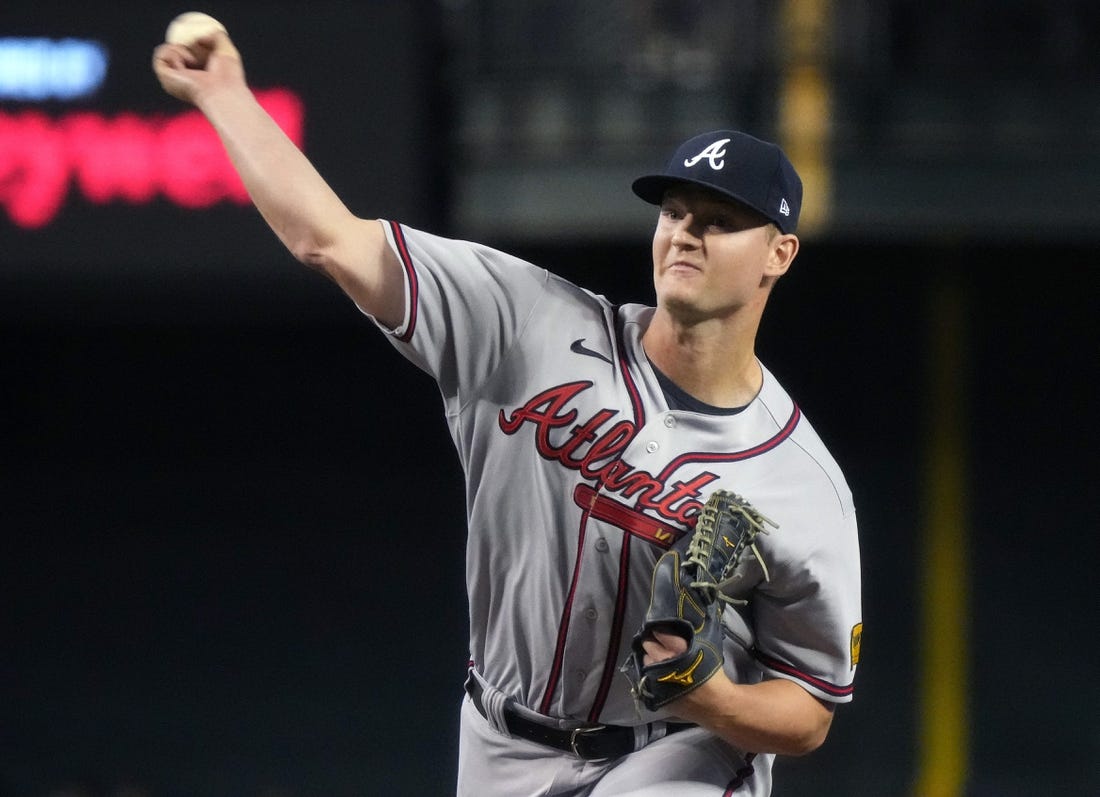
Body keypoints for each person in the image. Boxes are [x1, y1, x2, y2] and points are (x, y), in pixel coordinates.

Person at [153, 26, 862, 797]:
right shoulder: (527, 323)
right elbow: (328, 240)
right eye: (676, 211)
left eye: (720, 220)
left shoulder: (800, 481)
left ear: (779, 254)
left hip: (677, 752)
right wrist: (222, 94)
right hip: (499, 734)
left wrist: (715, 698)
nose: (686, 231)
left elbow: (812, 706)